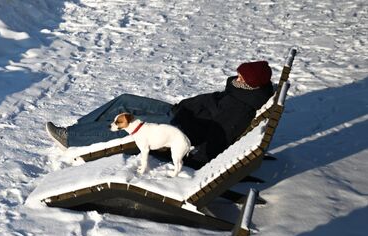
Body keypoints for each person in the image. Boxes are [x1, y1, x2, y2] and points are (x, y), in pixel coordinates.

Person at [46, 61, 274, 167]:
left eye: (242, 77)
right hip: (179, 112)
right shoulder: (239, 92)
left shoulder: (241, 107)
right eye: (239, 73)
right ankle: (78, 130)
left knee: (129, 123)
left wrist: (193, 160)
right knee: (124, 100)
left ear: (252, 85)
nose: (237, 77)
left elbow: (221, 135)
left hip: (177, 128)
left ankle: (71, 138)